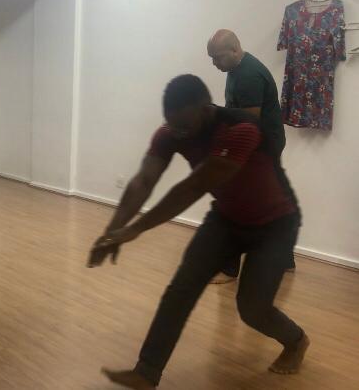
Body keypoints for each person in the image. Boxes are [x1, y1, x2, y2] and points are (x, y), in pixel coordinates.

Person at [88, 75, 309, 389]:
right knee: (181, 289)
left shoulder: (241, 130)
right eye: (172, 126)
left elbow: (193, 187)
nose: (177, 133)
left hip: (276, 224)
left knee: (252, 308)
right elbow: (143, 181)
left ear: (206, 110)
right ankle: (146, 373)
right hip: (227, 220)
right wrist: (112, 232)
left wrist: (135, 229)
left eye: (184, 127)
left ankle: (296, 341)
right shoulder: (170, 132)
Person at [207, 29, 295, 284]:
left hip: (261, 147)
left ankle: (229, 269)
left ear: (235, 50)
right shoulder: (236, 68)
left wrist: (215, 115)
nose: (214, 64)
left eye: (218, 57)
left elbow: (248, 122)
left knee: (236, 202)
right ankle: (285, 259)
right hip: (263, 144)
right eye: (211, 58)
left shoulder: (248, 75)